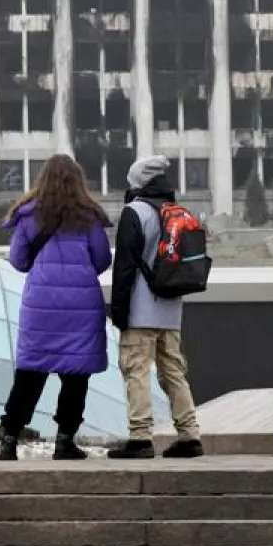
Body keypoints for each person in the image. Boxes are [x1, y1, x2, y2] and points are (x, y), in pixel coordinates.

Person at [0, 154, 113, 461]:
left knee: (30, 374)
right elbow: (103, 259)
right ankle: (64, 441)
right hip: (81, 306)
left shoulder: (27, 215)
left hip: (41, 306)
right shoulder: (88, 216)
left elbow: (19, 261)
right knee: (76, 375)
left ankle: (9, 440)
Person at [108, 155, 203, 459]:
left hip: (140, 309)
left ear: (136, 182)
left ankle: (140, 437)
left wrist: (119, 311)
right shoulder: (178, 211)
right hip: (171, 311)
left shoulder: (135, 212)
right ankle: (190, 435)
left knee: (136, 370)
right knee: (173, 372)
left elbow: (123, 267)